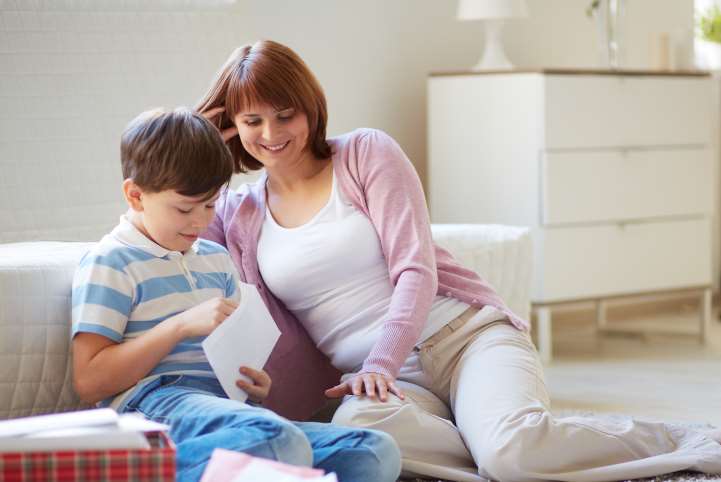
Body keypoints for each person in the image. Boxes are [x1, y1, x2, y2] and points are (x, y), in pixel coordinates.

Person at [196, 40, 721, 482]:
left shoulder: (364, 154)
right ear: (232, 126)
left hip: (465, 340)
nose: (271, 133)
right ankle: (494, 438)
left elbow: (414, 269)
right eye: (252, 120)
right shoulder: (237, 212)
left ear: (310, 107)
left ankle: (688, 438)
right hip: (384, 389)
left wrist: (380, 360)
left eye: (285, 114)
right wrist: (203, 144)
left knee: (511, 451)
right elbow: (181, 222)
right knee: (358, 439)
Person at [70, 107, 401, 482]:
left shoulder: (215, 259)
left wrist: (253, 388)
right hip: (154, 404)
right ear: (135, 195)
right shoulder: (111, 261)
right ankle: (130, 471)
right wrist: (178, 327)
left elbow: (234, 368)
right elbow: (90, 381)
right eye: (184, 208)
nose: (200, 221)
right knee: (278, 442)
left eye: (210, 205)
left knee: (373, 451)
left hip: (224, 409)